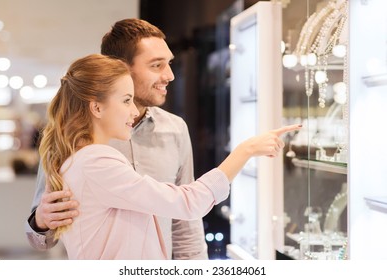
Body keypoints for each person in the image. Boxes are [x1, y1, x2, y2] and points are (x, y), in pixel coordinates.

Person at [37, 53, 301, 259]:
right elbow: (187, 203)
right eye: (126, 100)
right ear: (96, 107)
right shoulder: (96, 161)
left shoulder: (82, 159)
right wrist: (246, 151)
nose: (133, 111)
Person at [25, 18, 208, 259]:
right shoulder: (72, 136)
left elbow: (186, 227)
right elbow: (40, 239)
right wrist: (41, 221)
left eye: (169, 64)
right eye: (156, 65)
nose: (170, 75)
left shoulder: (175, 129)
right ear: (121, 67)